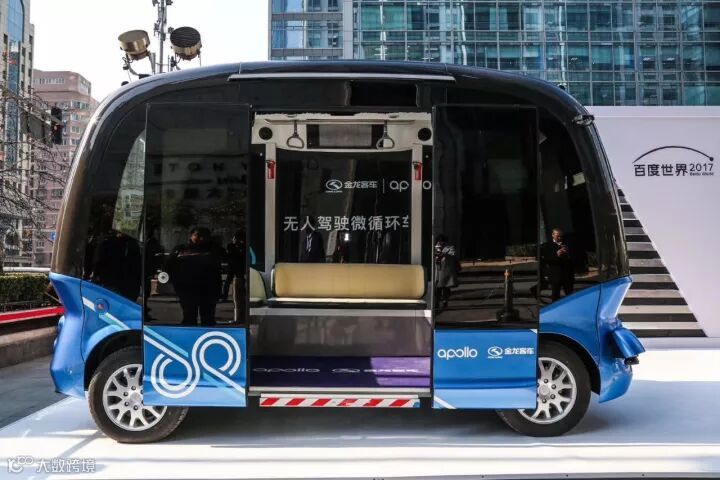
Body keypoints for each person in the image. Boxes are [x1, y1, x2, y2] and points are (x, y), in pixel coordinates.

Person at [165, 227, 223, 326]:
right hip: (188, 288)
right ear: (191, 236)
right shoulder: (181, 249)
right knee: (189, 316)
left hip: (208, 288)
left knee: (208, 317)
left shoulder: (214, 249)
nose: (201, 238)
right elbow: (169, 265)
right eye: (198, 235)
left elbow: (219, 263)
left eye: (204, 236)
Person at [90, 230, 142, 301]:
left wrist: (96, 274)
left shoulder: (108, 243)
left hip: (111, 281)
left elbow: (100, 261)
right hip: (126, 283)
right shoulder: (133, 245)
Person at [541, 228, 575, 301]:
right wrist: (556, 255)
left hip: (567, 274)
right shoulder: (547, 245)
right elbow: (546, 259)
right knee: (555, 295)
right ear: (553, 235)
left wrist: (568, 254)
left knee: (570, 295)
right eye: (558, 236)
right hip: (555, 274)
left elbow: (573, 257)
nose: (559, 238)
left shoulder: (567, 244)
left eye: (561, 236)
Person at [434, 234, 459, 309]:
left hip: (447, 270)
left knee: (446, 288)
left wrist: (443, 253)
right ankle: (437, 302)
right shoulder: (435, 248)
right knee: (437, 288)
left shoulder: (450, 248)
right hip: (438, 271)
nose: (440, 243)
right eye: (439, 241)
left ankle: (445, 301)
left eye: (442, 241)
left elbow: (453, 254)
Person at [222, 230, 245, 301]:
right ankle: (224, 296)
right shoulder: (230, 246)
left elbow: (242, 254)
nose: (234, 240)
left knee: (240, 281)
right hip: (232, 266)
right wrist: (239, 251)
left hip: (239, 266)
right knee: (228, 281)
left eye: (236, 239)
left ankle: (241, 295)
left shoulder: (242, 245)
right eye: (234, 238)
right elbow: (235, 254)